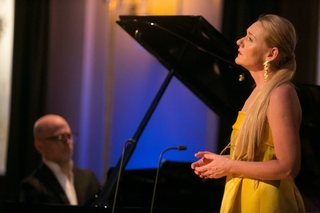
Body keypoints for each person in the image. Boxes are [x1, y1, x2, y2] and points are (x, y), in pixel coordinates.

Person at [191, 14, 306, 213]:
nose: (239, 41)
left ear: (271, 54)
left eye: (250, 38)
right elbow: (257, 157)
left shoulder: (280, 93)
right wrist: (222, 162)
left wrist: (229, 166)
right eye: (245, 35)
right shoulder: (257, 92)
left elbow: (288, 167)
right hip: (244, 194)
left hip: (266, 201)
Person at [19, 114, 101, 206]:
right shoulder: (32, 186)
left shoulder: (88, 178)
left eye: (69, 136)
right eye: (59, 138)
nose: (68, 142)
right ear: (39, 146)